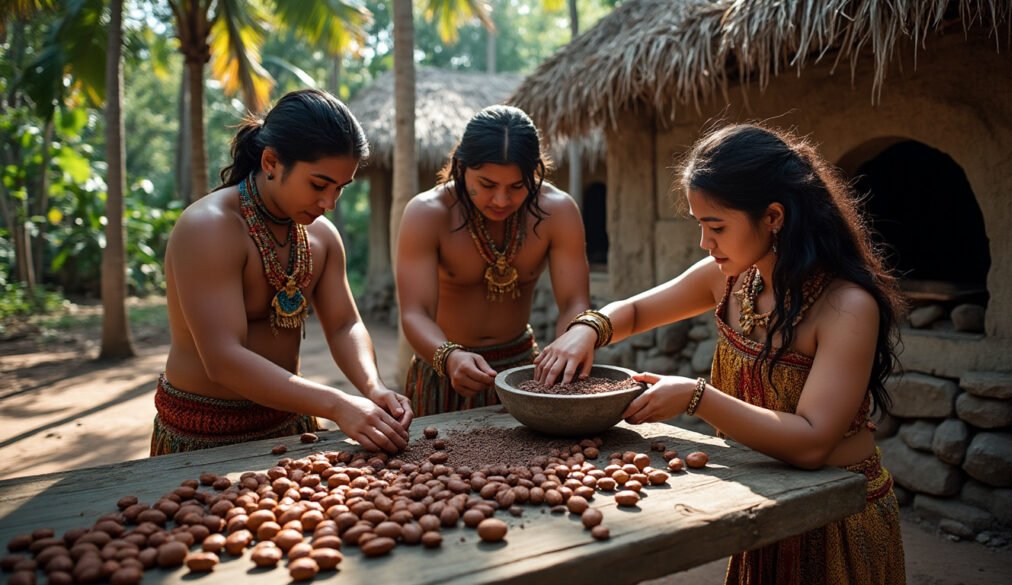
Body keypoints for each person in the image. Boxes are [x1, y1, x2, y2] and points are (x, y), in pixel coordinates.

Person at [536, 124, 906, 584]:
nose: (704, 244)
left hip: (836, 517)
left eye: (716, 226)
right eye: (699, 224)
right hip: (765, 502)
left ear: (773, 216)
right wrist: (589, 329)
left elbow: (813, 443)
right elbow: (633, 311)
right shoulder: (730, 279)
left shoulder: (846, 307)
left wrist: (696, 397)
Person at [154, 89, 412, 456]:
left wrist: (373, 388)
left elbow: (344, 325)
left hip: (290, 426)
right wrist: (337, 404)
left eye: (340, 188)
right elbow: (223, 359)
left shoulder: (321, 237)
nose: (330, 203)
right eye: (319, 185)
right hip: (203, 434)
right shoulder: (209, 228)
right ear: (272, 161)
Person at [397, 105, 591, 416]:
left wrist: (567, 354)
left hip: (523, 373)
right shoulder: (427, 213)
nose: (501, 200)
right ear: (461, 166)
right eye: (487, 185)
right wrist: (448, 358)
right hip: (442, 369)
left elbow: (574, 302)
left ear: (535, 171)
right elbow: (414, 313)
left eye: (517, 186)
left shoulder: (558, 211)